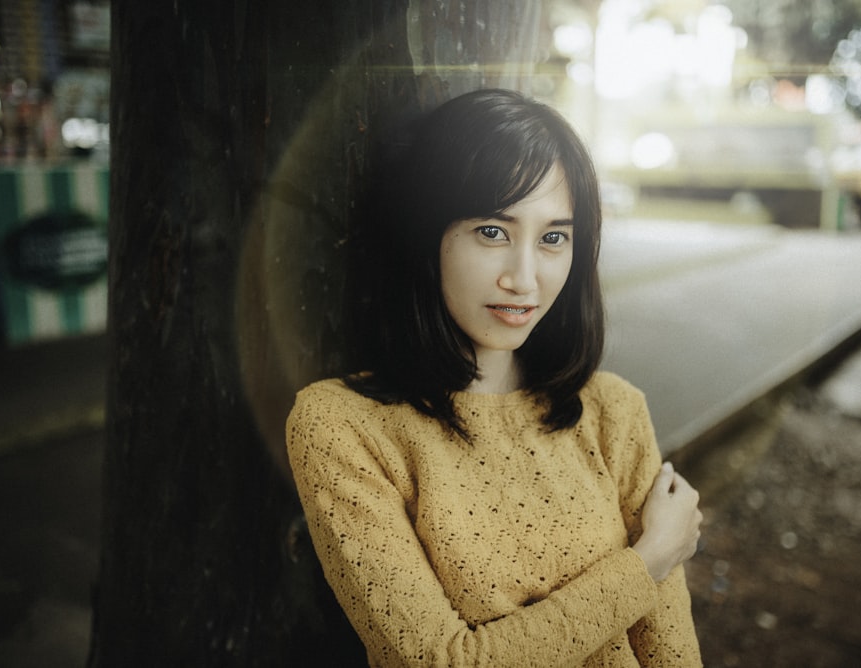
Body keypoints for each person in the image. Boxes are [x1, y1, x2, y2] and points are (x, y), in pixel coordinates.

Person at [286, 88, 703, 667]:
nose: (525, 279)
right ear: (425, 236)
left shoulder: (614, 410)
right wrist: (651, 558)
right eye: (493, 232)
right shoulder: (342, 426)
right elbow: (443, 662)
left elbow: (671, 654)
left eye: (553, 237)